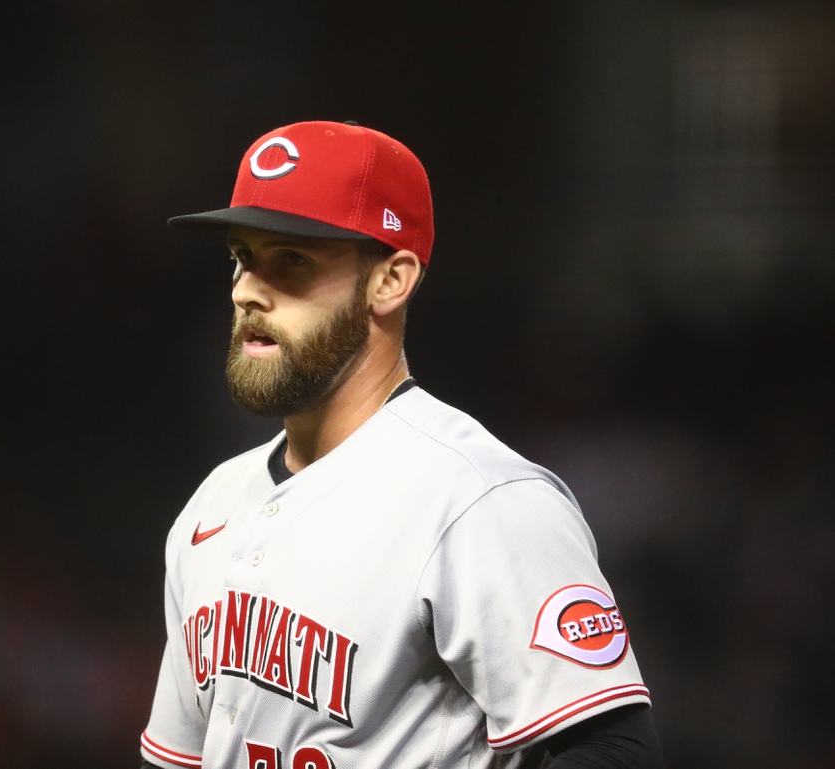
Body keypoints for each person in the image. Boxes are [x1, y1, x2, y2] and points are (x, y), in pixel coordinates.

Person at [140, 121, 663, 769]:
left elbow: (614, 750)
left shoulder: (478, 498)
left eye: (292, 260)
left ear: (391, 280)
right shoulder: (213, 503)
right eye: (242, 256)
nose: (247, 288)